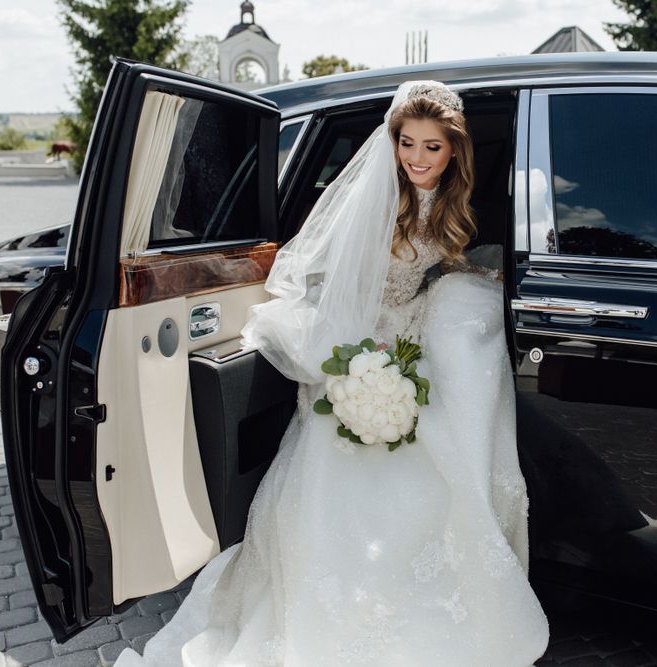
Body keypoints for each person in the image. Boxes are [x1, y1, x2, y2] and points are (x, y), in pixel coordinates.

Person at [116, 80, 550, 665]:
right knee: (359, 482)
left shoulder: (449, 207)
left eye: (432, 147)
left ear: (454, 153)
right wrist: (368, 364)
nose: (417, 159)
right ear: (392, 143)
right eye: (408, 144)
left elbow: (432, 275)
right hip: (368, 354)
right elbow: (339, 292)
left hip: (411, 351)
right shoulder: (376, 203)